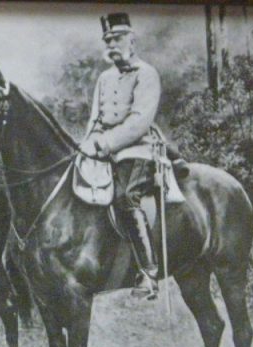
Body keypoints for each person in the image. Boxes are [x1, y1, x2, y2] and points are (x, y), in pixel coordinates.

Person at [80, 12, 162, 300]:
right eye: (108, 40)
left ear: (132, 39)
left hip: (137, 150)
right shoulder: (104, 77)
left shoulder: (147, 74)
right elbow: (95, 119)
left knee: (125, 196)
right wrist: (86, 145)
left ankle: (149, 273)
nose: (112, 44)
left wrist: (105, 143)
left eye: (117, 38)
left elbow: (139, 122)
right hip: (103, 149)